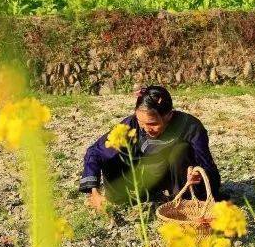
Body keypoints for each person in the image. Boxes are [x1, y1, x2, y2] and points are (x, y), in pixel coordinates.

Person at [81, 85, 221, 210]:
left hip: (175, 181)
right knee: (110, 154)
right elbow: (95, 151)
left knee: (180, 150)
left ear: (169, 116)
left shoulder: (190, 126)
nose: (147, 129)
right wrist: (94, 191)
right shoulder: (131, 124)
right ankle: (136, 196)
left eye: (153, 124)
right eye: (141, 122)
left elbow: (206, 165)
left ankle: (180, 200)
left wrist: (197, 175)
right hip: (139, 179)